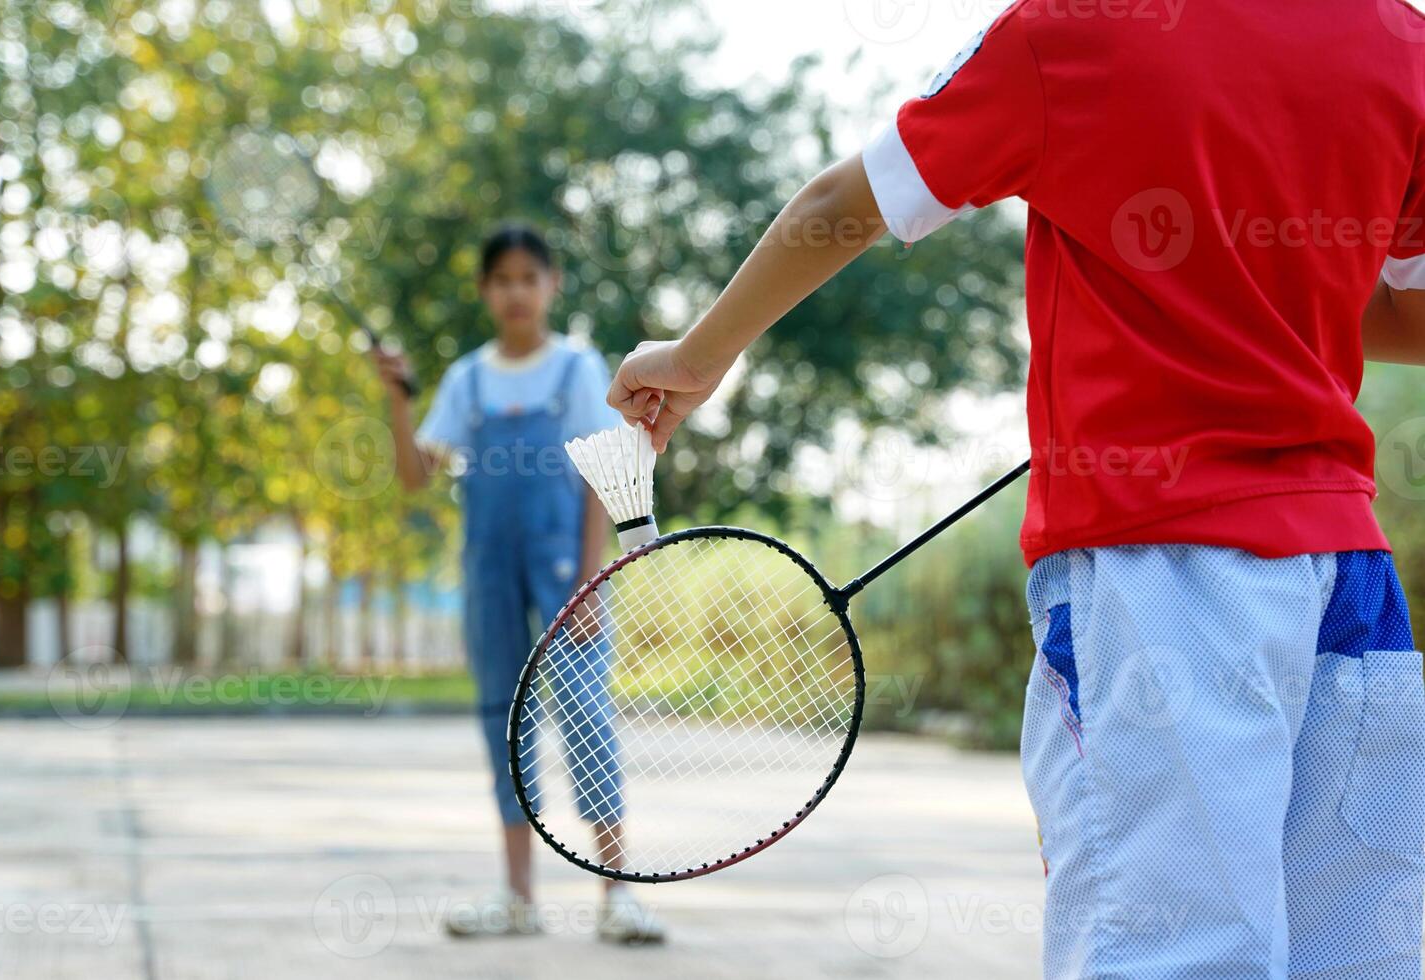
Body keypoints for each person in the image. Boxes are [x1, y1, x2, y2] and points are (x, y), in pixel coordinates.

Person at [605, 2, 1425, 976]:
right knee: (1352, 954)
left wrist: (696, 356)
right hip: (1350, 586)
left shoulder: (1071, 28)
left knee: (1172, 954)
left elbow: (847, 202)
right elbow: (1409, 316)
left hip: (1156, 579)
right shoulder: (1398, 41)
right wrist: (1265, 292)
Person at [377, 224, 665, 944]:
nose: (514, 291)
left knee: (585, 719)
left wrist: (594, 582)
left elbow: (602, 473)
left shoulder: (575, 368)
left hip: (568, 575)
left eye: (527, 278)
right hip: (488, 573)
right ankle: (517, 897)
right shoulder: (466, 380)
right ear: (485, 291)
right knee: (501, 723)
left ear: (551, 285)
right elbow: (418, 477)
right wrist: (397, 400)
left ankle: (619, 894)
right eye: (500, 279)